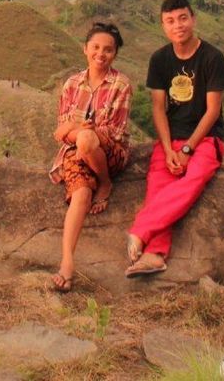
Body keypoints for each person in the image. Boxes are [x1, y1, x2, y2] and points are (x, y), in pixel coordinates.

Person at [125, 0, 224, 277]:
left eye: (183, 18)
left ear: (193, 19)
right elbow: (158, 108)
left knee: (192, 181)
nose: (178, 25)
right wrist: (169, 148)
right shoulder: (160, 60)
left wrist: (187, 150)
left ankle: (141, 230)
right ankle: (155, 254)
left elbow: (212, 111)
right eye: (170, 21)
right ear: (163, 26)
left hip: (206, 138)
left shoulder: (212, 57)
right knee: (158, 184)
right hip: (170, 138)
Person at [49, 21, 132, 292]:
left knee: (86, 139)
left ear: (115, 54)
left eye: (108, 49)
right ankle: (67, 262)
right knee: (81, 194)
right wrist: (79, 134)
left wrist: (83, 132)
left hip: (111, 153)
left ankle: (106, 182)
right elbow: (60, 130)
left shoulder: (120, 84)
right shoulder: (72, 84)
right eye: (95, 47)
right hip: (78, 149)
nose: (101, 53)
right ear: (85, 49)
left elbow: (115, 131)